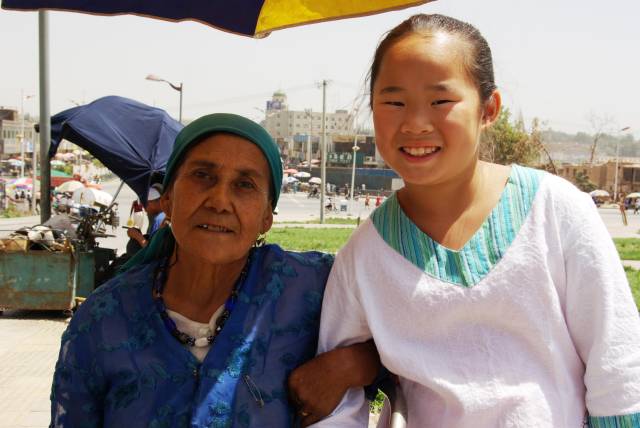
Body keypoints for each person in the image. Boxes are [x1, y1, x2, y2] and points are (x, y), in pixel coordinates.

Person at [305, 14, 640, 427]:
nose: (415, 123)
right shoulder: (363, 258)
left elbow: (619, 365)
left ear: (489, 108)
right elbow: (338, 403)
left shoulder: (555, 210)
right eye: (393, 102)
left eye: (440, 101)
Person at [50, 113, 380, 427]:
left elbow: (415, 339)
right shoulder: (104, 318)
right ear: (167, 199)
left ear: (267, 217)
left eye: (245, 184)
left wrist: (353, 364)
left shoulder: (310, 288)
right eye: (202, 176)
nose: (219, 201)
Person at [126, 184, 165, 250]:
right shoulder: (164, 215)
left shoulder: (159, 220)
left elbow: (152, 251)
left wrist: (137, 236)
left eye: (144, 204)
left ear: (153, 203)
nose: (143, 208)